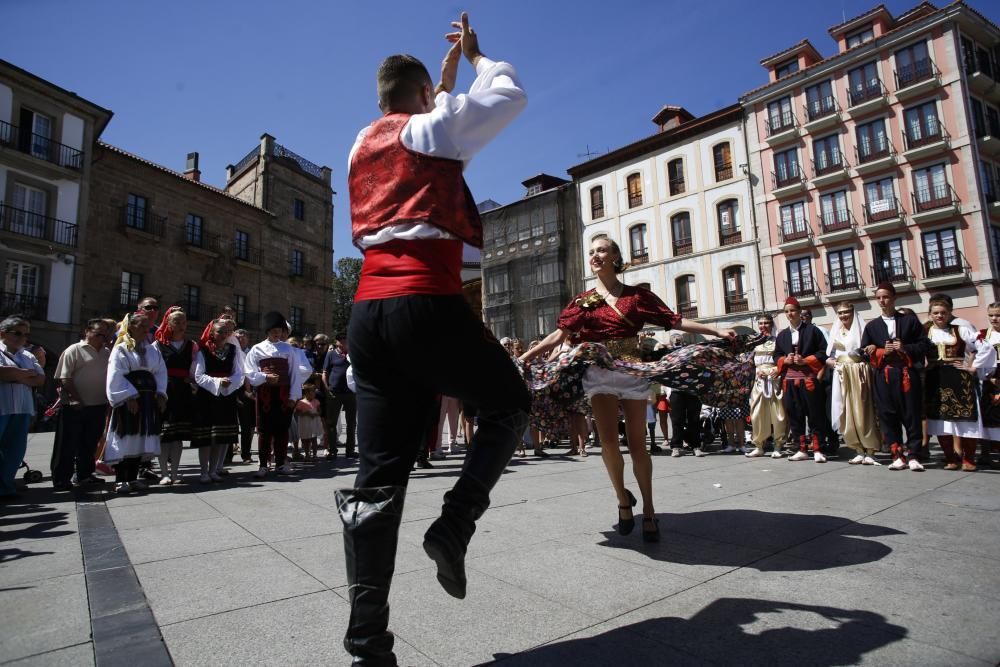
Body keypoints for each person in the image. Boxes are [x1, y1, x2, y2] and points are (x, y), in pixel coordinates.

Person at [335, 13, 529, 665]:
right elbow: (509, 95)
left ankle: (368, 644)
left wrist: (439, 91)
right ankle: (454, 523)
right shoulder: (431, 129)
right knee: (509, 403)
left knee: (378, 479)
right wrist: (476, 59)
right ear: (421, 96)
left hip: (368, 311)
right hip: (424, 300)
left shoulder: (362, 143)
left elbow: (429, 139)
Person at [521, 236, 735, 543]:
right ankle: (623, 499)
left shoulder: (636, 297)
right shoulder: (583, 301)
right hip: (599, 373)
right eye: (592, 251)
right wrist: (522, 359)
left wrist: (714, 329)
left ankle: (648, 509)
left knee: (637, 444)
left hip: (632, 369)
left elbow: (674, 320)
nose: (595, 255)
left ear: (615, 257)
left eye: (602, 250)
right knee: (608, 443)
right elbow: (558, 336)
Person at [861, 282, 930, 471]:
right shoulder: (872, 326)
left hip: (907, 374)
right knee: (887, 413)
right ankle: (897, 454)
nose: (882, 301)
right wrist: (880, 350)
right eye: (879, 298)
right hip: (884, 376)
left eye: (885, 297)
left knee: (912, 412)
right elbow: (864, 352)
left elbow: (925, 345)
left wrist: (904, 348)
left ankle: (914, 454)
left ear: (894, 298)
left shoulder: (909, 321)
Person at [923, 295, 995, 471]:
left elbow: (985, 347)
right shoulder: (924, 331)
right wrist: (924, 363)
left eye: (943, 313)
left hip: (959, 379)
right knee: (940, 421)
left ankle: (968, 459)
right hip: (935, 379)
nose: (939, 316)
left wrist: (973, 367)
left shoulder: (960, 330)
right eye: (936, 313)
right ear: (930, 314)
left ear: (949, 314)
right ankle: (951, 458)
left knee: (965, 419)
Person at [105, 312, 167, 494]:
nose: (146, 330)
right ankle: (120, 479)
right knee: (127, 435)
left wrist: (161, 393)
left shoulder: (152, 349)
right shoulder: (121, 349)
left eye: (147, 327)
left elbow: (160, 372)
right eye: (142, 326)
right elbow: (115, 375)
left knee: (140, 438)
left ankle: (132, 478)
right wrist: (128, 397)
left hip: (148, 400)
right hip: (130, 399)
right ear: (130, 327)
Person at [50, 319, 110, 490]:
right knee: (67, 443)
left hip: (98, 405)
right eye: (99, 333)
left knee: (90, 443)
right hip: (75, 406)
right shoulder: (74, 350)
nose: (102, 337)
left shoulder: (106, 352)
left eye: (105, 334)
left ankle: (85, 474)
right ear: (87, 332)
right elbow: (64, 377)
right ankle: (61, 477)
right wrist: (75, 398)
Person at [244, 312, 305, 478]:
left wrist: (293, 397)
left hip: (284, 394)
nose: (278, 333)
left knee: (282, 429)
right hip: (265, 393)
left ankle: (280, 463)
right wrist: (265, 377)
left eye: (280, 329)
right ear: (268, 330)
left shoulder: (288, 349)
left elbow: (294, 374)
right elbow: (249, 372)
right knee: (264, 430)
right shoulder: (257, 349)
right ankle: (263, 464)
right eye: (275, 329)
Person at [825, 302, 881, 465]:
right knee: (847, 410)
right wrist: (830, 362)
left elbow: (870, 349)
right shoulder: (837, 331)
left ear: (852, 312)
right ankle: (856, 448)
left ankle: (870, 449)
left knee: (863, 410)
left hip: (859, 373)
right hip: (842, 374)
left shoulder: (862, 329)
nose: (843, 316)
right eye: (840, 313)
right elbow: (830, 354)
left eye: (846, 312)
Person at [774, 297, 829, 462]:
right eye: (786, 311)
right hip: (790, 380)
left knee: (815, 413)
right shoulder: (782, 335)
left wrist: (805, 360)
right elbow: (776, 355)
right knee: (794, 413)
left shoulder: (813, 331)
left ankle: (818, 449)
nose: (789, 314)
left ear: (799, 312)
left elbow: (823, 352)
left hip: (809, 379)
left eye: (792, 311)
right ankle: (801, 448)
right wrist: (786, 360)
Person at [192, 319, 244, 481]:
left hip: (226, 397)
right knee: (207, 437)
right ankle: (203, 472)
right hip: (207, 397)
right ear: (212, 334)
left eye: (225, 332)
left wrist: (229, 385)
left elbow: (239, 373)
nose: (222, 335)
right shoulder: (203, 351)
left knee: (221, 437)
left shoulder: (233, 350)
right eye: (219, 332)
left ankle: (214, 470)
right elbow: (198, 376)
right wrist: (218, 383)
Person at [0, 316, 45, 499]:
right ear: (3, 333)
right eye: (17, 333)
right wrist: (25, 375)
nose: (22, 338)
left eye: (26, 334)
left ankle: (6, 486)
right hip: (2, 407)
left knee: (15, 450)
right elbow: (2, 373)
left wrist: (13, 375)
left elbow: (40, 379)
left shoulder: (27, 355)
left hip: (22, 407)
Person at [152, 307, 195, 485]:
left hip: (183, 392)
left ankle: (175, 472)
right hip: (165, 390)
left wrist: (192, 381)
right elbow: (153, 369)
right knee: (165, 434)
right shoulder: (158, 345)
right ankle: (164, 473)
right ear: (168, 323)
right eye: (177, 322)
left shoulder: (191, 345)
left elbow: (195, 368)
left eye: (184, 322)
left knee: (177, 436)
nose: (181, 325)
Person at [746, 313, 787, 459]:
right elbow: (750, 361)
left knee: (777, 413)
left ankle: (778, 445)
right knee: (757, 413)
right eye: (761, 323)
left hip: (774, 378)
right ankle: (759, 445)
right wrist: (755, 372)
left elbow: (782, 358)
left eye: (766, 323)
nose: (763, 326)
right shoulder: (754, 341)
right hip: (759, 379)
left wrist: (776, 371)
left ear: (771, 324)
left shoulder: (779, 340)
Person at [323, 333, 356, 459]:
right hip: (334, 392)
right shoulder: (331, 354)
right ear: (336, 342)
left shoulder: (353, 354)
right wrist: (327, 388)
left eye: (345, 340)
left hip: (350, 393)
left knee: (352, 422)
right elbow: (325, 372)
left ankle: (350, 450)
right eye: (340, 340)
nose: (343, 342)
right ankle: (332, 450)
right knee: (331, 422)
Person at [233, 329, 256, 464]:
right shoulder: (231, 351)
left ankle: (246, 454)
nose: (240, 339)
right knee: (231, 424)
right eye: (237, 337)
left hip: (247, 393)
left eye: (242, 337)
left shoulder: (251, 353)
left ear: (247, 339)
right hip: (232, 390)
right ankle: (228, 455)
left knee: (247, 425)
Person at [295, 383, 324, 461]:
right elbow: (297, 413)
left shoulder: (316, 401)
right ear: (306, 393)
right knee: (305, 440)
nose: (314, 394)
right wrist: (306, 413)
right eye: (312, 392)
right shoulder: (301, 402)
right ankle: (307, 454)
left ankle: (314, 455)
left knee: (313, 439)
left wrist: (317, 414)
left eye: (314, 392)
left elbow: (320, 411)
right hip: (305, 423)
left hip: (314, 423)